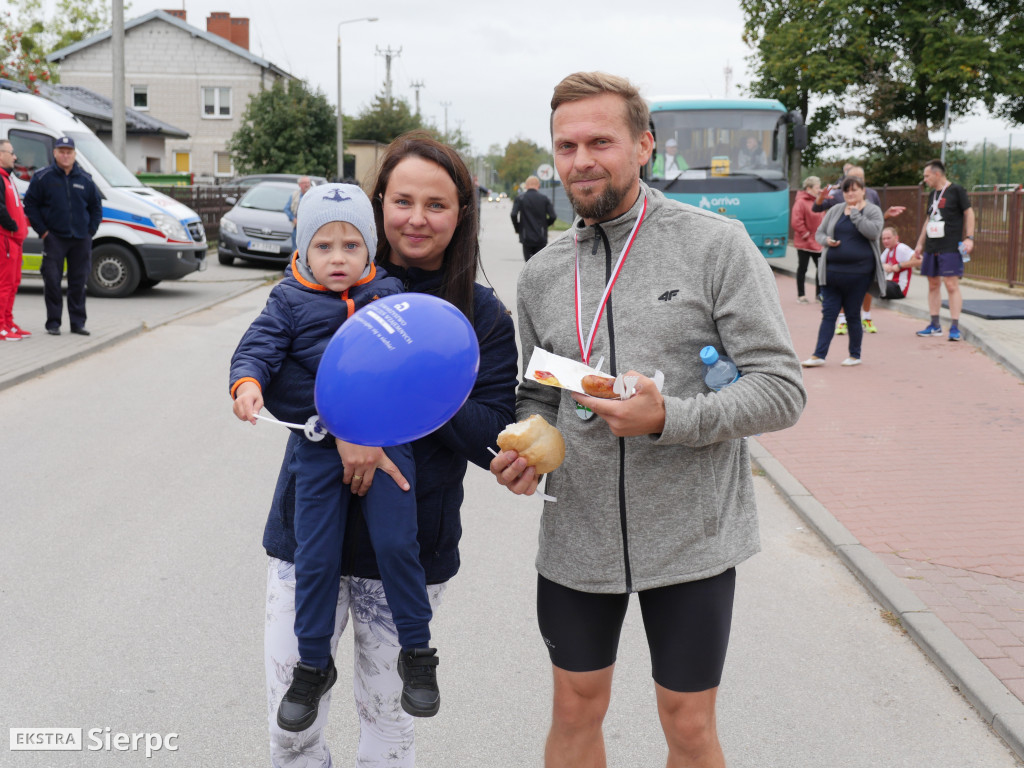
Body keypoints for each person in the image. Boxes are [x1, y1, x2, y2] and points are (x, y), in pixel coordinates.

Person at [489, 71, 806, 767]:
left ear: (644, 147)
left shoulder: (714, 246)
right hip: (579, 532)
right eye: (567, 144)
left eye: (600, 140)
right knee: (574, 709)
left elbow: (783, 390)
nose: (581, 160)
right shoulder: (542, 273)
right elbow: (538, 390)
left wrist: (672, 418)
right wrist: (522, 446)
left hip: (691, 535)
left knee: (688, 724)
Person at [261, 132, 518, 767]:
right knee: (290, 730)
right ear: (379, 205)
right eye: (402, 200)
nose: (416, 218)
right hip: (308, 537)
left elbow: (491, 432)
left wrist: (404, 397)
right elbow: (279, 378)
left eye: (437, 204)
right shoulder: (328, 277)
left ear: (462, 214)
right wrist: (344, 419)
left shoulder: (479, 315)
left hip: (408, 547)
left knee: (388, 729)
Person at [231, 184, 445, 732]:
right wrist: (247, 382)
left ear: (370, 250)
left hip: (388, 442)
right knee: (315, 558)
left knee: (400, 543)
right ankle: (312, 664)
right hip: (317, 447)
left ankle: (418, 655)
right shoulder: (288, 300)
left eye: (352, 246)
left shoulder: (391, 294)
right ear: (302, 249)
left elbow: (417, 356)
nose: (338, 258)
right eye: (323, 246)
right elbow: (258, 347)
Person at [801, 176, 886, 368]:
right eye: (846, 191)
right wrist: (826, 241)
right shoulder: (835, 210)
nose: (850, 194)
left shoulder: (872, 210)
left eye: (854, 190)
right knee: (828, 314)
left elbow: (873, 232)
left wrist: (856, 215)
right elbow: (820, 233)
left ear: (863, 191)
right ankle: (818, 355)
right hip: (832, 273)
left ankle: (855, 355)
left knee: (852, 314)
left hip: (859, 274)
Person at [23, 136, 102, 336]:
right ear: (55, 153)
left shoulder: (85, 179)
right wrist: (43, 231)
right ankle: (53, 323)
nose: (65, 156)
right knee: (52, 280)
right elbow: (30, 205)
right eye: (62, 152)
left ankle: (78, 323)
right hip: (54, 238)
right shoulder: (43, 178)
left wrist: (90, 231)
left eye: (69, 152)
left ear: (74, 155)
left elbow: (96, 207)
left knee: (78, 282)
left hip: (80, 239)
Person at [912, 158, 974, 341]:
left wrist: (969, 238)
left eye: (927, 176)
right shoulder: (932, 195)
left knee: (951, 284)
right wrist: (920, 243)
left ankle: (954, 327)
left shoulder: (956, 190)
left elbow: (969, 212)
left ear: (937, 174)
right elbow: (928, 220)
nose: (925, 179)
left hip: (950, 246)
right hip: (932, 246)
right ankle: (934, 324)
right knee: (933, 284)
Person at [0, 139, 30, 341]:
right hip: (6, 240)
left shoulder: (8, 178)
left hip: (15, 241)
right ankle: (1, 326)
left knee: (14, 282)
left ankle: (8, 322)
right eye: (11, 152)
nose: (15, 156)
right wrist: (12, 225)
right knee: (5, 284)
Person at [791, 175, 825, 303]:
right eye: (817, 187)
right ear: (809, 188)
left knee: (821, 268)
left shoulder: (819, 201)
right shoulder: (801, 202)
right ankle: (801, 295)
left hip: (817, 241)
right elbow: (796, 221)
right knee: (803, 268)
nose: (819, 189)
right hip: (804, 242)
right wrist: (805, 234)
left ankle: (819, 294)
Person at [510, 175, 557, 261]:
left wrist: (518, 228)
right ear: (538, 185)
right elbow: (553, 216)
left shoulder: (520, 198)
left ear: (526, 186)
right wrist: (545, 225)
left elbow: (513, 214)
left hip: (526, 236)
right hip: (541, 236)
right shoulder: (544, 199)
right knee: (539, 264)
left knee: (528, 264)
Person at [285, 175, 312, 252]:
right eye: (304, 183)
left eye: (308, 183)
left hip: (309, 227)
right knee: (296, 250)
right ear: (299, 184)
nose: (307, 185)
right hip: (297, 228)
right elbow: (286, 208)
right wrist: (293, 219)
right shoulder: (294, 195)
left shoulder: (313, 195)